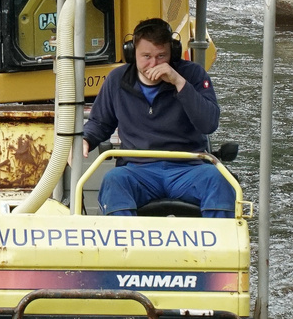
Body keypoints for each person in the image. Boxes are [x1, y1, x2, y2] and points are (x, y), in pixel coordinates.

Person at [81, 18, 233, 218]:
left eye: (161, 56)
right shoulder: (116, 80)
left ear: (173, 53)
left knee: (219, 180)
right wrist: (85, 139)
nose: (153, 64)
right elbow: (100, 122)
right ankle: (125, 246)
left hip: (188, 167)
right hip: (138, 169)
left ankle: (218, 247)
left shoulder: (193, 74)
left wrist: (179, 83)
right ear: (131, 53)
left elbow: (209, 123)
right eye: (146, 56)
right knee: (114, 180)